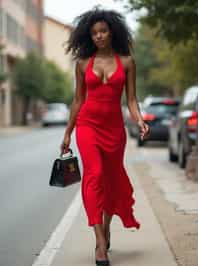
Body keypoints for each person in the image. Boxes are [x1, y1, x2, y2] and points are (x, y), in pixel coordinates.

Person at [60, 7, 150, 266]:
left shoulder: (127, 62)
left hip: (114, 130)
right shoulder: (83, 64)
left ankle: (107, 227)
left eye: (103, 31)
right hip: (88, 125)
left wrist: (140, 120)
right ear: (89, 36)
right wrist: (68, 132)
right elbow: (78, 100)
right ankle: (100, 242)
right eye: (94, 33)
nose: (99, 36)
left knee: (110, 181)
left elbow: (131, 99)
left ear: (112, 32)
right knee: (94, 175)